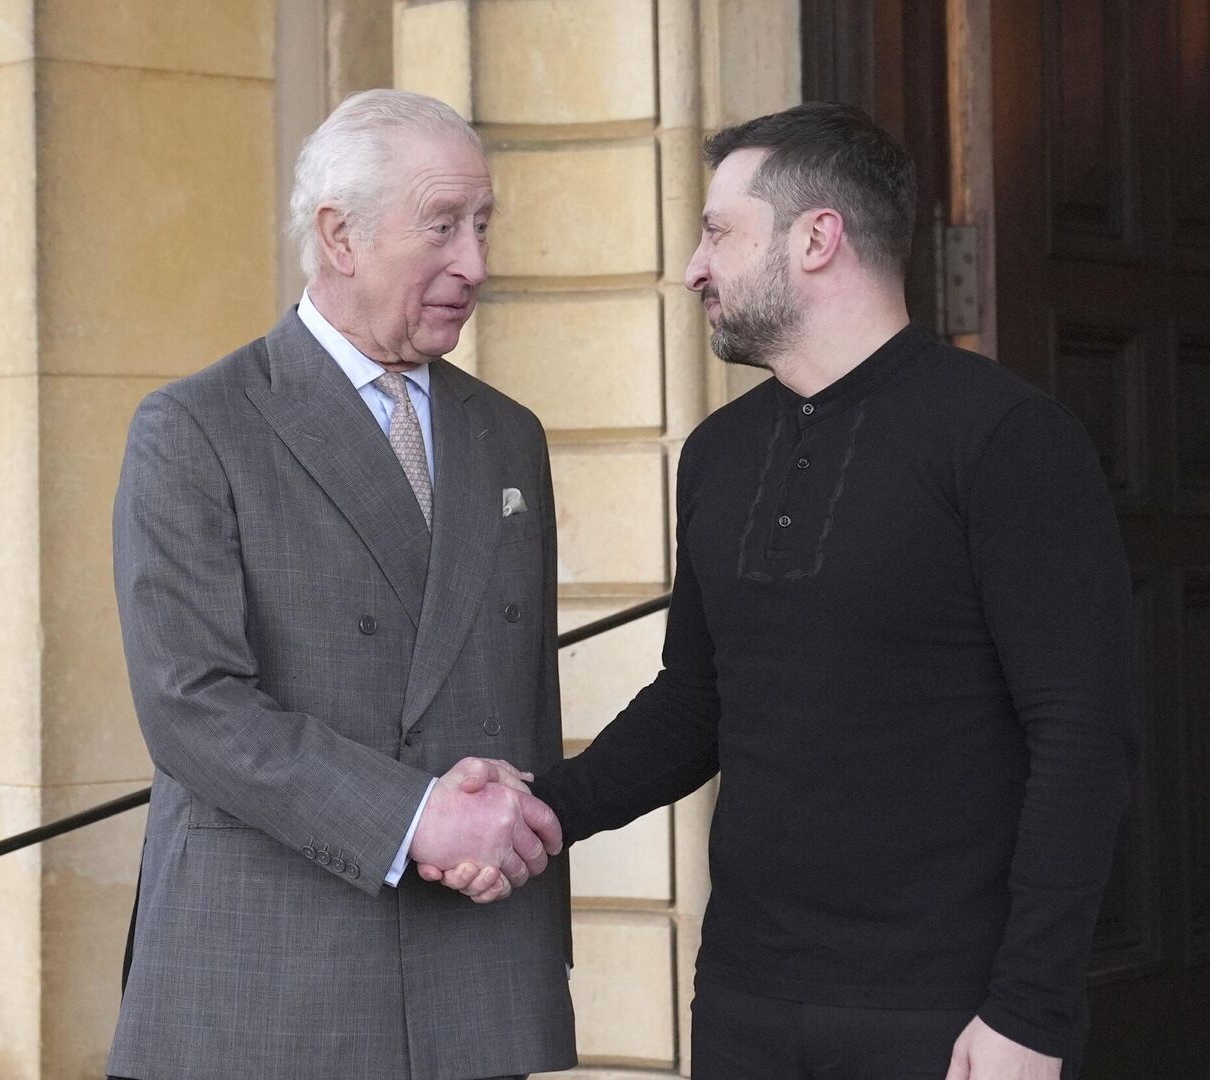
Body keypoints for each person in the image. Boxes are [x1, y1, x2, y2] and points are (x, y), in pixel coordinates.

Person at [429, 102, 1136, 1080]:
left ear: (816, 238)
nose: (694, 268)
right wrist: (542, 810)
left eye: (718, 232)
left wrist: (1031, 1010)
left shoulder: (1007, 437)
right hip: (743, 999)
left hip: (945, 1009)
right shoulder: (719, 454)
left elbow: (1083, 736)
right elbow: (697, 702)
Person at [105, 88, 575, 1080]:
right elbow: (191, 706)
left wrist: (507, 840)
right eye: (442, 226)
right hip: (272, 990)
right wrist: (415, 817)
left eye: (483, 225)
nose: (475, 264)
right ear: (340, 236)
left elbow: (524, 702)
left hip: (476, 982)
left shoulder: (510, 435)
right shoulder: (197, 427)